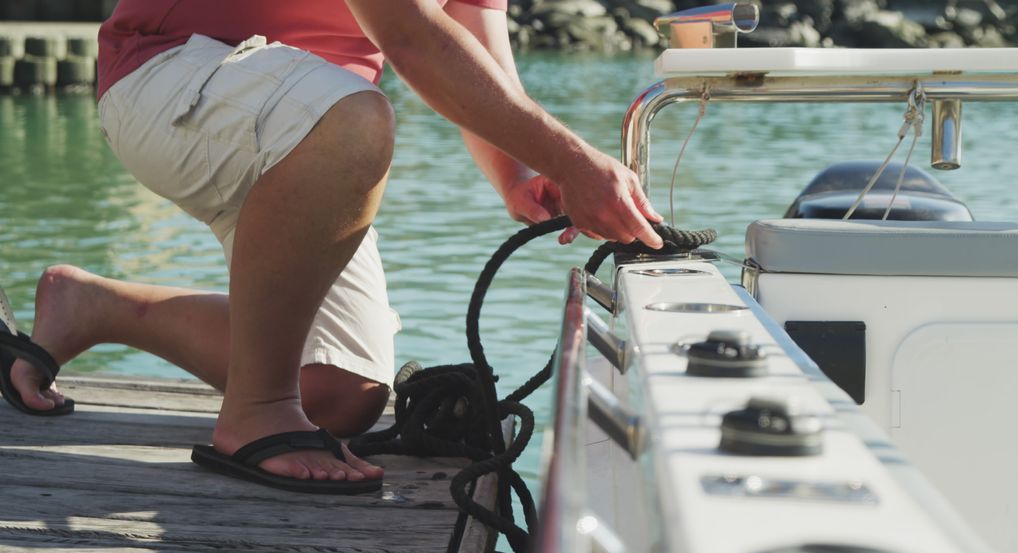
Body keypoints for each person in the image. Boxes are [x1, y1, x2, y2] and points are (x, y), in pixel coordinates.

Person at [3, 0, 664, 493]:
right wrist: (573, 159)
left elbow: (473, 42)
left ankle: (94, 308)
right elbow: (409, 38)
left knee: (341, 389)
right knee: (356, 117)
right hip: (172, 75)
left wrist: (520, 173)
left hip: (306, 124)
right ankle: (255, 415)